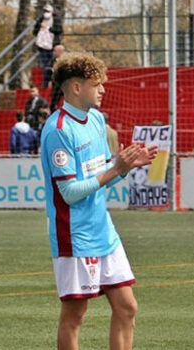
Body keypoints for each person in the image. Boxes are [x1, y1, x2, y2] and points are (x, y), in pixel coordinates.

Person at [40, 52, 157, 350]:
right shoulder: (58, 130)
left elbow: (104, 173)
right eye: (97, 84)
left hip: (103, 231)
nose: (103, 89)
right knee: (75, 315)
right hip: (74, 235)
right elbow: (69, 192)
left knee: (127, 307)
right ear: (76, 87)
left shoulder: (95, 119)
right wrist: (116, 169)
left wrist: (125, 167)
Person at [34, 5, 62, 88]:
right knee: (45, 66)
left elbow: (59, 30)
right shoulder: (40, 20)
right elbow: (34, 31)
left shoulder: (56, 20)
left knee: (54, 65)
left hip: (53, 46)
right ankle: (45, 84)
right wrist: (40, 27)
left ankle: (54, 83)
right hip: (42, 47)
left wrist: (49, 29)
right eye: (45, 11)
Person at [49, 44, 66, 111]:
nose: (53, 52)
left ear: (59, 51)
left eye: (55, 51)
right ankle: (53, 108)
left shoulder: (66, 61)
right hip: (56, 84)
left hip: (64, 83)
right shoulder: (52, 61)